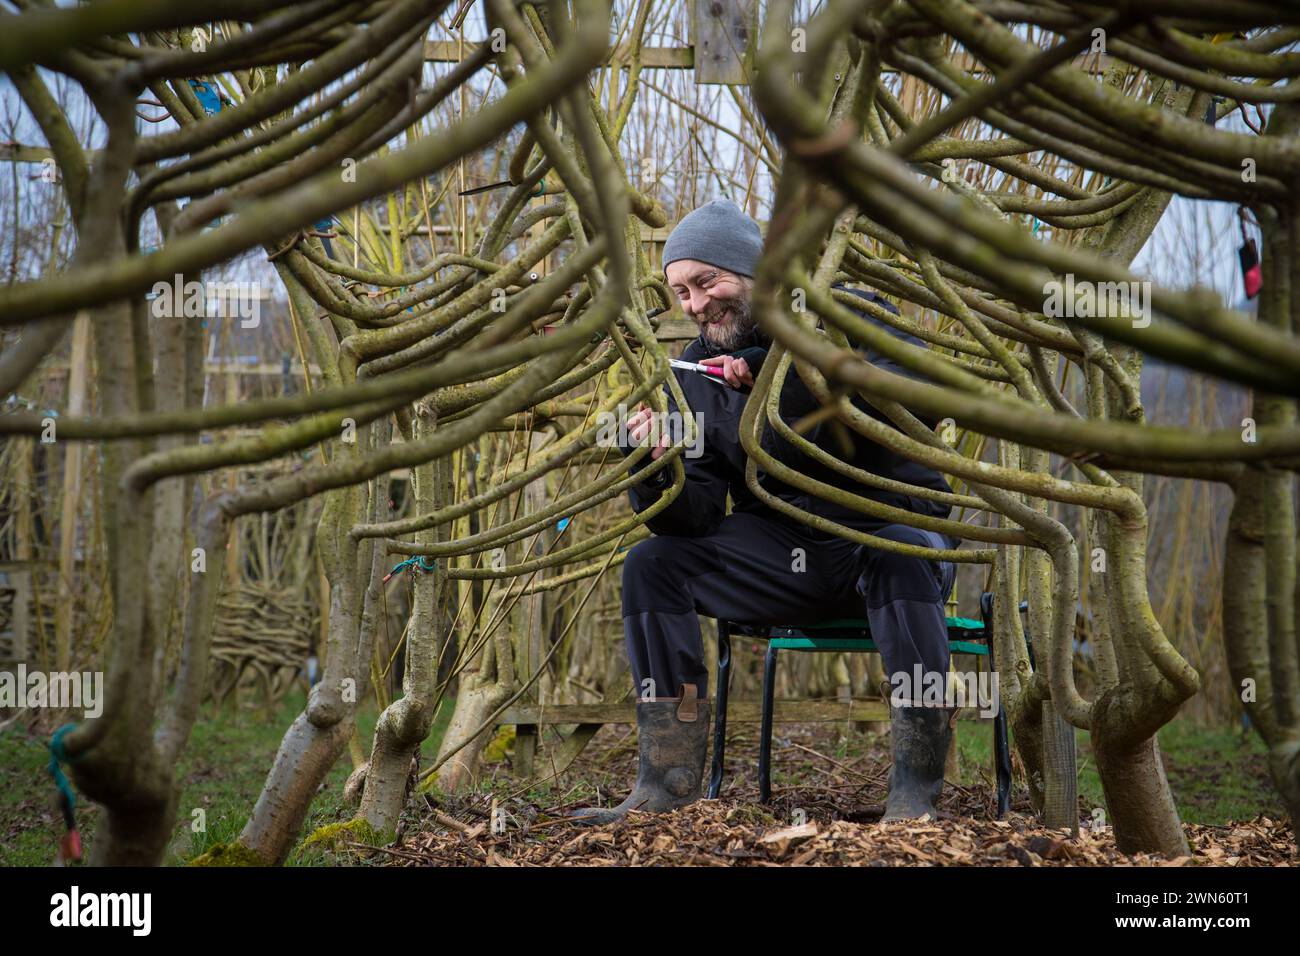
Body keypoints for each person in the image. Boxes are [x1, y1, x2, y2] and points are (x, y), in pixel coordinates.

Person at [570, 198, 958, 825]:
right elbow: (691, 516)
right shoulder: (691, 375)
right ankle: (664, 785)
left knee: (898, 555)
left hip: (886, 537)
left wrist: (775, 376)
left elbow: (912, 389)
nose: (695, 304)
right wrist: (652, 463)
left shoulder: (841, 313)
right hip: (783, 560)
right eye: (680, 291)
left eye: (707, 281)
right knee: (653, 565)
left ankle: (915, 794)